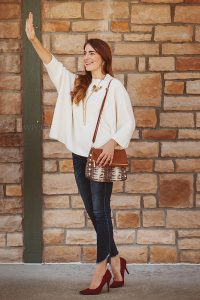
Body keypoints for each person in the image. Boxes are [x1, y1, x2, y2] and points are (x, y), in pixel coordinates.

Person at [25, 11, 135, 295]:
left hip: (103, 156)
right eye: (84, 53)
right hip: (79, 154)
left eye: (91, 53)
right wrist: (34, 39)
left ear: (103, 57)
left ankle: (101, 270)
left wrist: (113, 141)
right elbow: (53, 65)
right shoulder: (78, 84)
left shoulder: (115, 87)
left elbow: (128, 122)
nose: (86, 57)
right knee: (93, 212)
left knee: (101, 211)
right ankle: (116, 260)